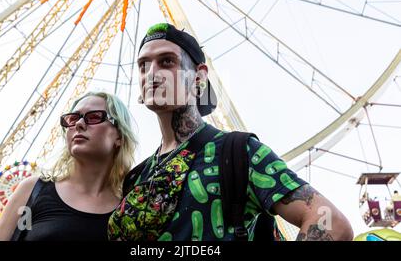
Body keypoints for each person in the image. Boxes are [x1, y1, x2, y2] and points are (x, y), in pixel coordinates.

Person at [108, 23, 354, 241]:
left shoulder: (238, 153)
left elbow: (332, 223)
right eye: (143, 65)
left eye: (167, 62)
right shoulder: (137, 177)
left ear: (199, 77)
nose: (151, 74)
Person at [0, 91, 137, 241]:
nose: (79, 124)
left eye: (94, 117)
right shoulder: (32, 190)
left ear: (119, 136)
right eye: (72, 119)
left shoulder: (129, 208)